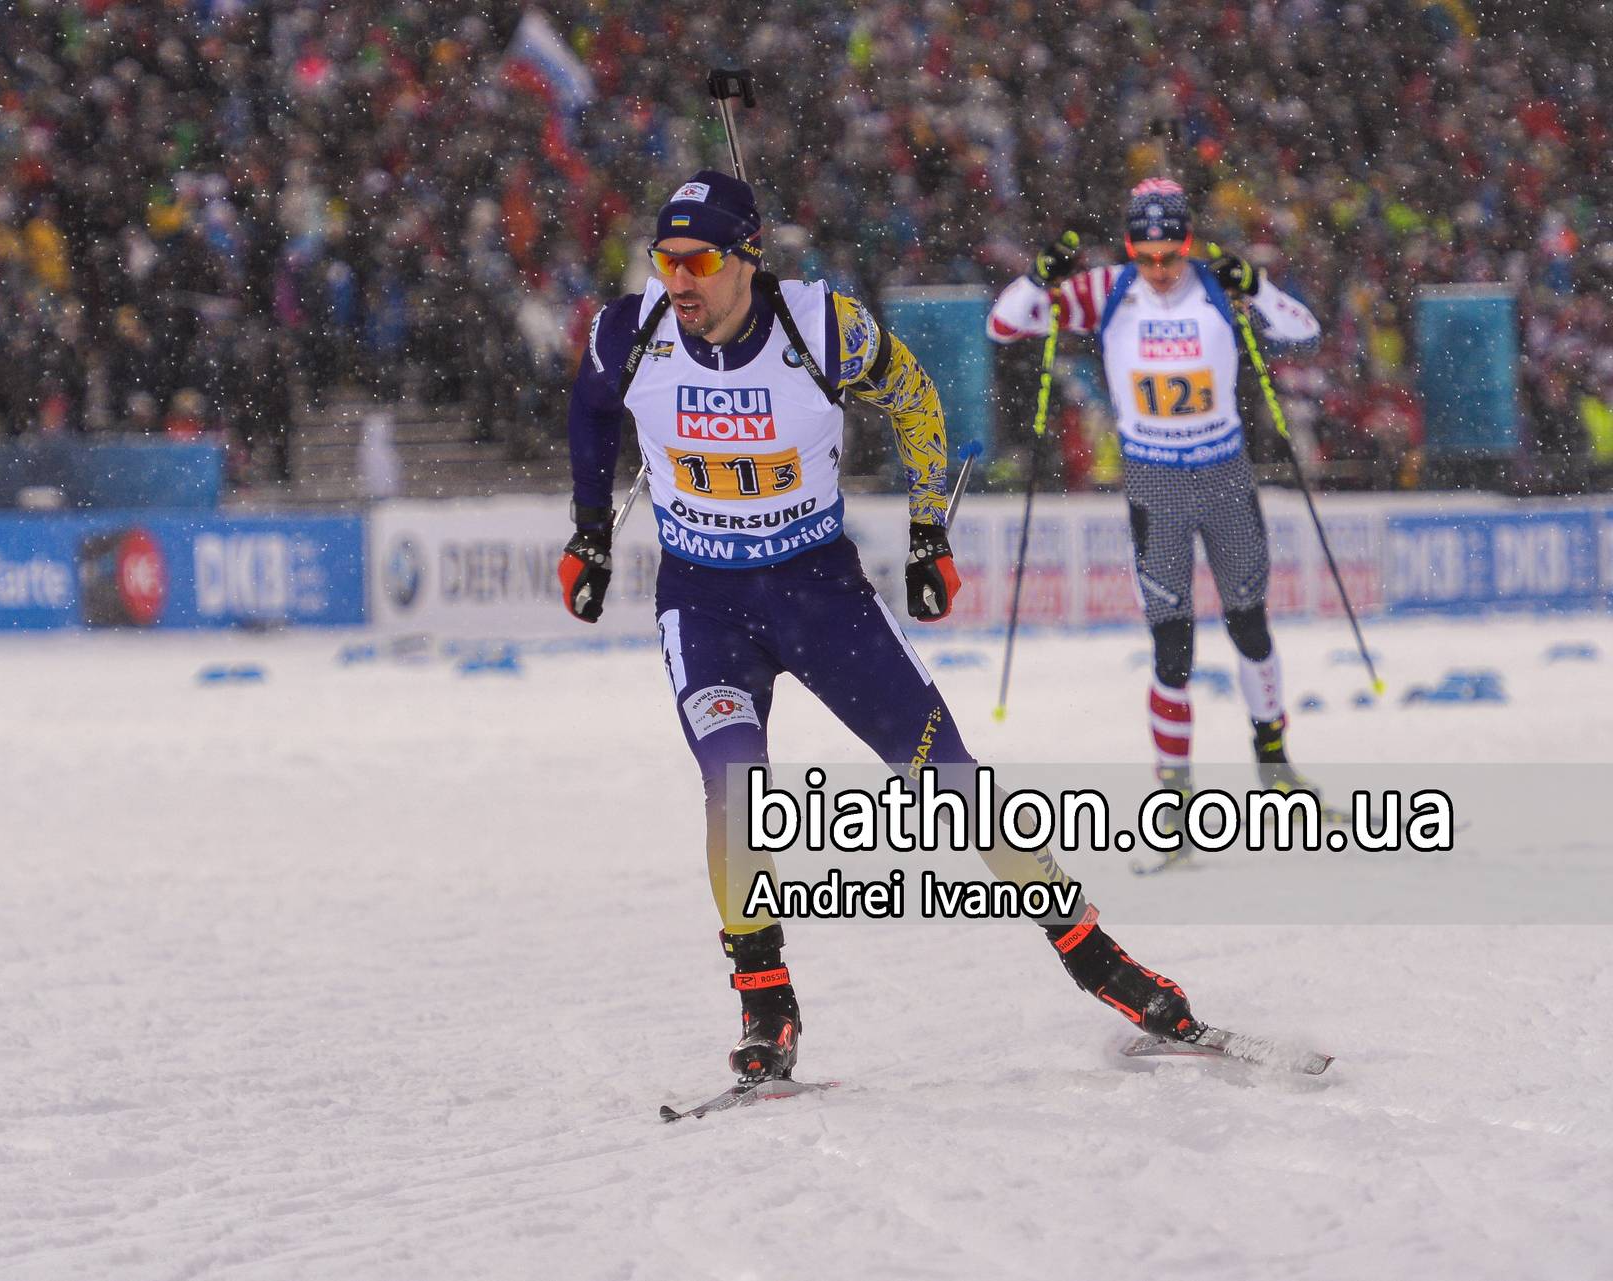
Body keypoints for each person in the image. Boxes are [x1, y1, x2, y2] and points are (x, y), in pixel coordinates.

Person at [559, 169, 1201, 1084]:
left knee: (952, 780)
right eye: (666, 261)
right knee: (732, 785)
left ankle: (1094, 956)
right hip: (704, 606)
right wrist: (588, 535)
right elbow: (588, 413)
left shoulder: (822, 327)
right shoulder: (632, 332)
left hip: (820, 597)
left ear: (748, 259)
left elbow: (916, 399)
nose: (679, 282)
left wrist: (928, 529)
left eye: (698, 261)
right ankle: (766, 1005)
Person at [987, 178, 1323, 814]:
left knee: (1250, 626)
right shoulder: (1109, 289)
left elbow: (1302, 330)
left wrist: (1256, 285)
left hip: (1224, 474)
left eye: (1171, 255)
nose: (1161, 269)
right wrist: (1038, 278)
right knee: (1173, 646)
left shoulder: (1217, 285)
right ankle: (1174, 791)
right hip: (1155, 481)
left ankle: (1274, 764)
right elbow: (1002, 326)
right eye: (1147, 257)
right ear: (1129, 248)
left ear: (1189, 242)